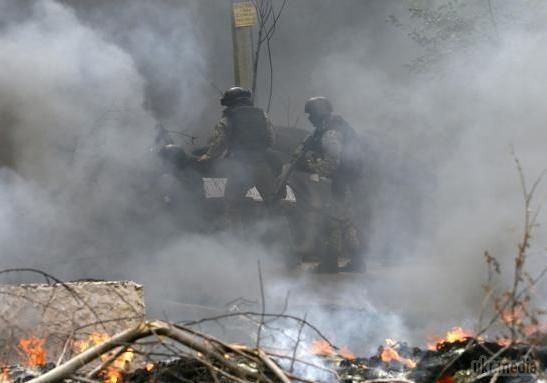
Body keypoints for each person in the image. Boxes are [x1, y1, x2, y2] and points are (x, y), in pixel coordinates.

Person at [297, 96, 365, 272]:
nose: (309, 118)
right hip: (346, 181)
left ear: (318, 113)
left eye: (311, 114)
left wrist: (309, 164)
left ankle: (330, 263)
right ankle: (358, 262)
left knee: (331, 223)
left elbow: (331, 164)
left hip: (339, 183)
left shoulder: (330, 133)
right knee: (345, 222)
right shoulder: (332, 126)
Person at [197, 87, 276, 229]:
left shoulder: (228, 118)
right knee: (272, 202)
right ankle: (278, 236)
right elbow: (271, 139)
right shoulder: (262, 115)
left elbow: (218, 143)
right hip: (262, 165)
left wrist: (207, 156)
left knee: (232, 207)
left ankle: (234, 241)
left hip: (239, 168)